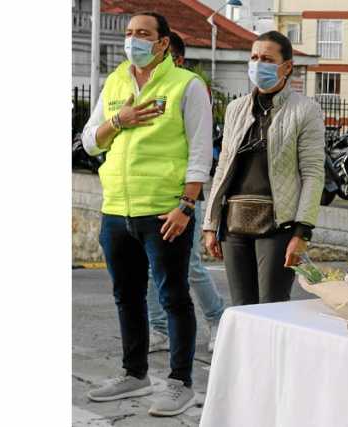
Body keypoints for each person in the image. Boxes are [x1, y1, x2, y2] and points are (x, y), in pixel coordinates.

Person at [81, 12, 212, 417]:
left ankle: (179, 383)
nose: (133, 40)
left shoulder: (187, 85)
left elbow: (200, 150)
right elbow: (89, 142)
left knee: (173, 297)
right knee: (127, 296)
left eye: (143, 34)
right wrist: (118, 120)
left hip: (163, 210)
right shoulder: (116, 82)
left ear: (162, 43)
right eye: (130, 33)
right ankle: (134, 373)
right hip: (117, 209)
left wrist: (186, 206)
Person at [203, 31, 325, 305]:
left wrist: (302, 232)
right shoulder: (236, 108)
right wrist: (211, 224)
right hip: (234, 222)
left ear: (287, 67)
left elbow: (313, 173)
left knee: (272, 306)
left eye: (268, 59)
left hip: (278, 225)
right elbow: (223, 166)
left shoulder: (306, 110)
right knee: (242, 308)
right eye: (255, 57)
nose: (259, 64)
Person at [147, 31, 225, 355]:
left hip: (184, 197)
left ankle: (217, 318)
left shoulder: (192, 87)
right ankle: (159, 330)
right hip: (150, 192)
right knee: (151, 266)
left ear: (175, 57)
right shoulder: (146, 89)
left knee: (190, 265)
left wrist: (188, 199)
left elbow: (199, 148)